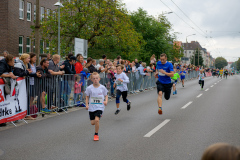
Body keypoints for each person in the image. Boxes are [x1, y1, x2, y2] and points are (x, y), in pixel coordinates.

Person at [85, 72, 108, 141]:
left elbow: (106, 95)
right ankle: (98, 117)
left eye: (97, 78)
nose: (95, 80)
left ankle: (96, 134)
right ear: (91, 80)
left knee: (96, 120)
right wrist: (86, 105)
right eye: (94, 78)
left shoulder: (102, 87)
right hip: (92, 107)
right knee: (92, 123)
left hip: (100, 107)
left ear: (99, 79)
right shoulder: (89, 88)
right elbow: (87, 96)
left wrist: (106, 101)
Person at [0, 54, 16, 127]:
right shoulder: (2, 64)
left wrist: (12, 75)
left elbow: (10, 71)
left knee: (5, 102)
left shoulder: (9, 64)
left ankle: (3, 120)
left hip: (4, 85)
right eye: (13, 61)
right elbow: (0, 74)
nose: (14, 62)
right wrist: (9, 76)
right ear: (9, 61)